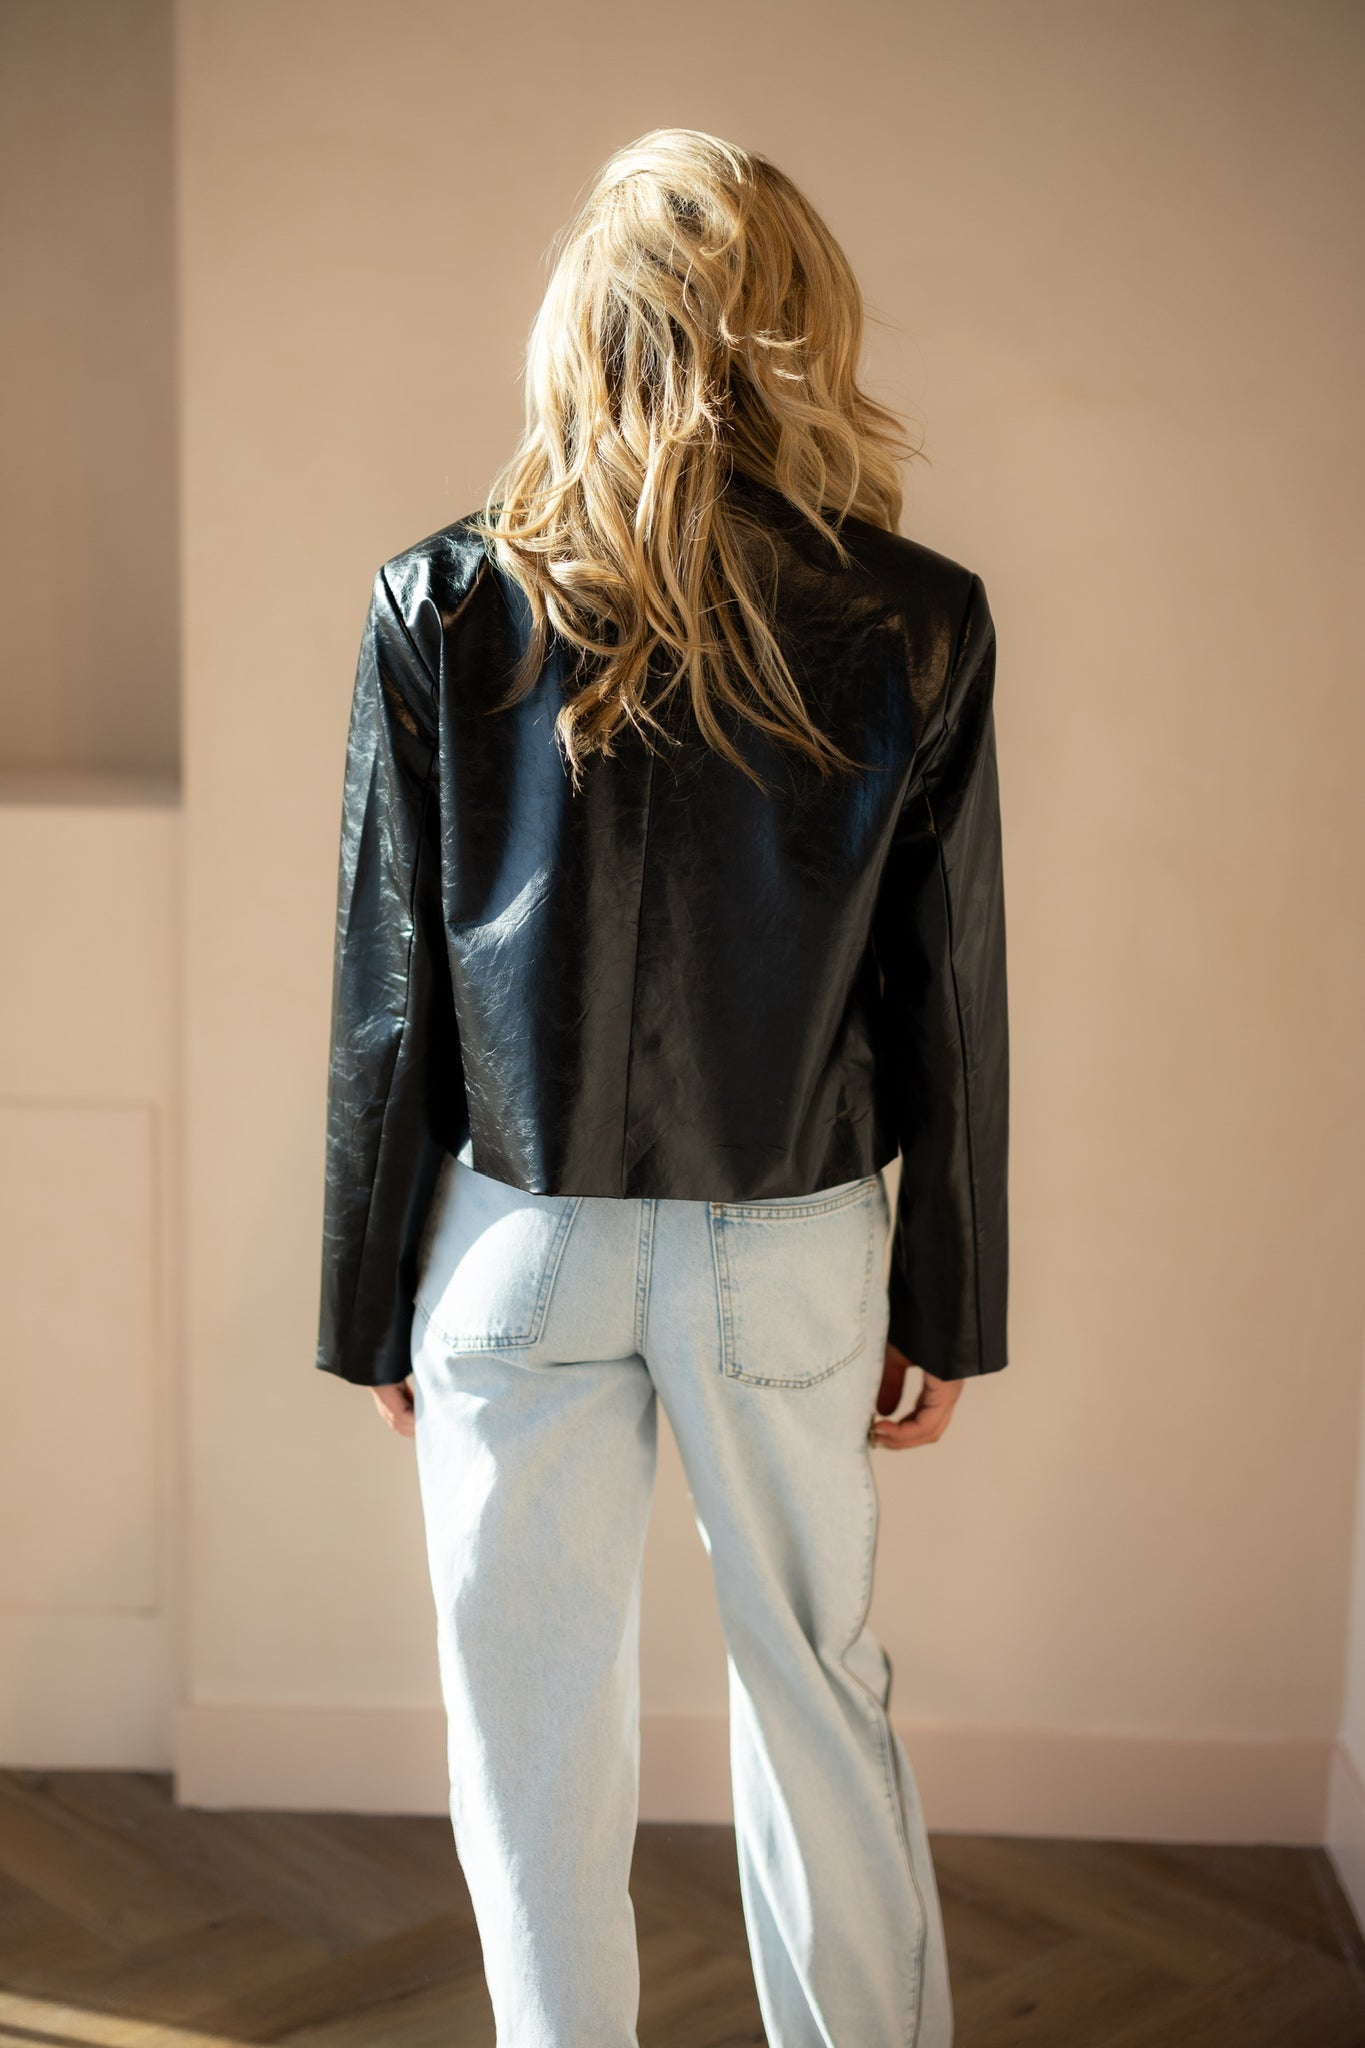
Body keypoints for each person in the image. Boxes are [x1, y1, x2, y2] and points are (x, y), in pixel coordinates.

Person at [315, 126, 1008, 2048]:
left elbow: (387, 996)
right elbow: (943, 991)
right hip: (784, 1246)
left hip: (512, 1241)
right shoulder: (917, 615)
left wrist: (364, 1296)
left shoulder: (441, 602)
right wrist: (949, 1292)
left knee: (525, 1731)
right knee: (816, 1694)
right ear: (798, 323)